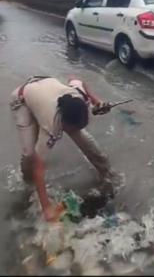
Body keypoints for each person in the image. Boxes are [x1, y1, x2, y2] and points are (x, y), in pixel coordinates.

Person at [10, 76, 115, 222]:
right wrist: (47, 208)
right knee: (30, 155)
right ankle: (27, 183)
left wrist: (97, 101)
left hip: (46, 87)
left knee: (85, 139)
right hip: (22, 100)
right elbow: (39, 167)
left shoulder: (79, 97)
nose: (73, 131)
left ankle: (107, 174)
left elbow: (77, 79)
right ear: (63, 124)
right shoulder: (51, 126)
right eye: (70, 128)